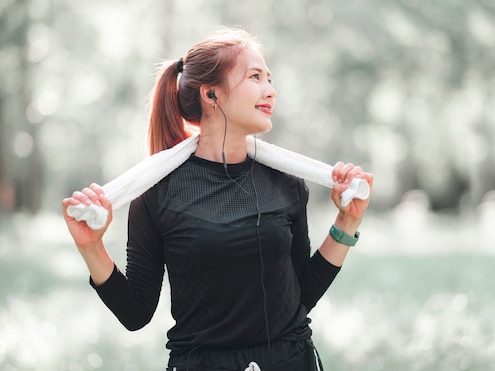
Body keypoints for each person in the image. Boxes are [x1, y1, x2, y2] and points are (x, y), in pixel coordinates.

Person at [62, 27, 373, 371]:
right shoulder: (157, 193)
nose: (271, 91)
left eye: (269, 79)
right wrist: (92, 247)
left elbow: (298, 297)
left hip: (292, 361)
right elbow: (136, 314)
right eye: (255, 77)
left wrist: (347, 221)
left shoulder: (287, 183)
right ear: (211, 94)